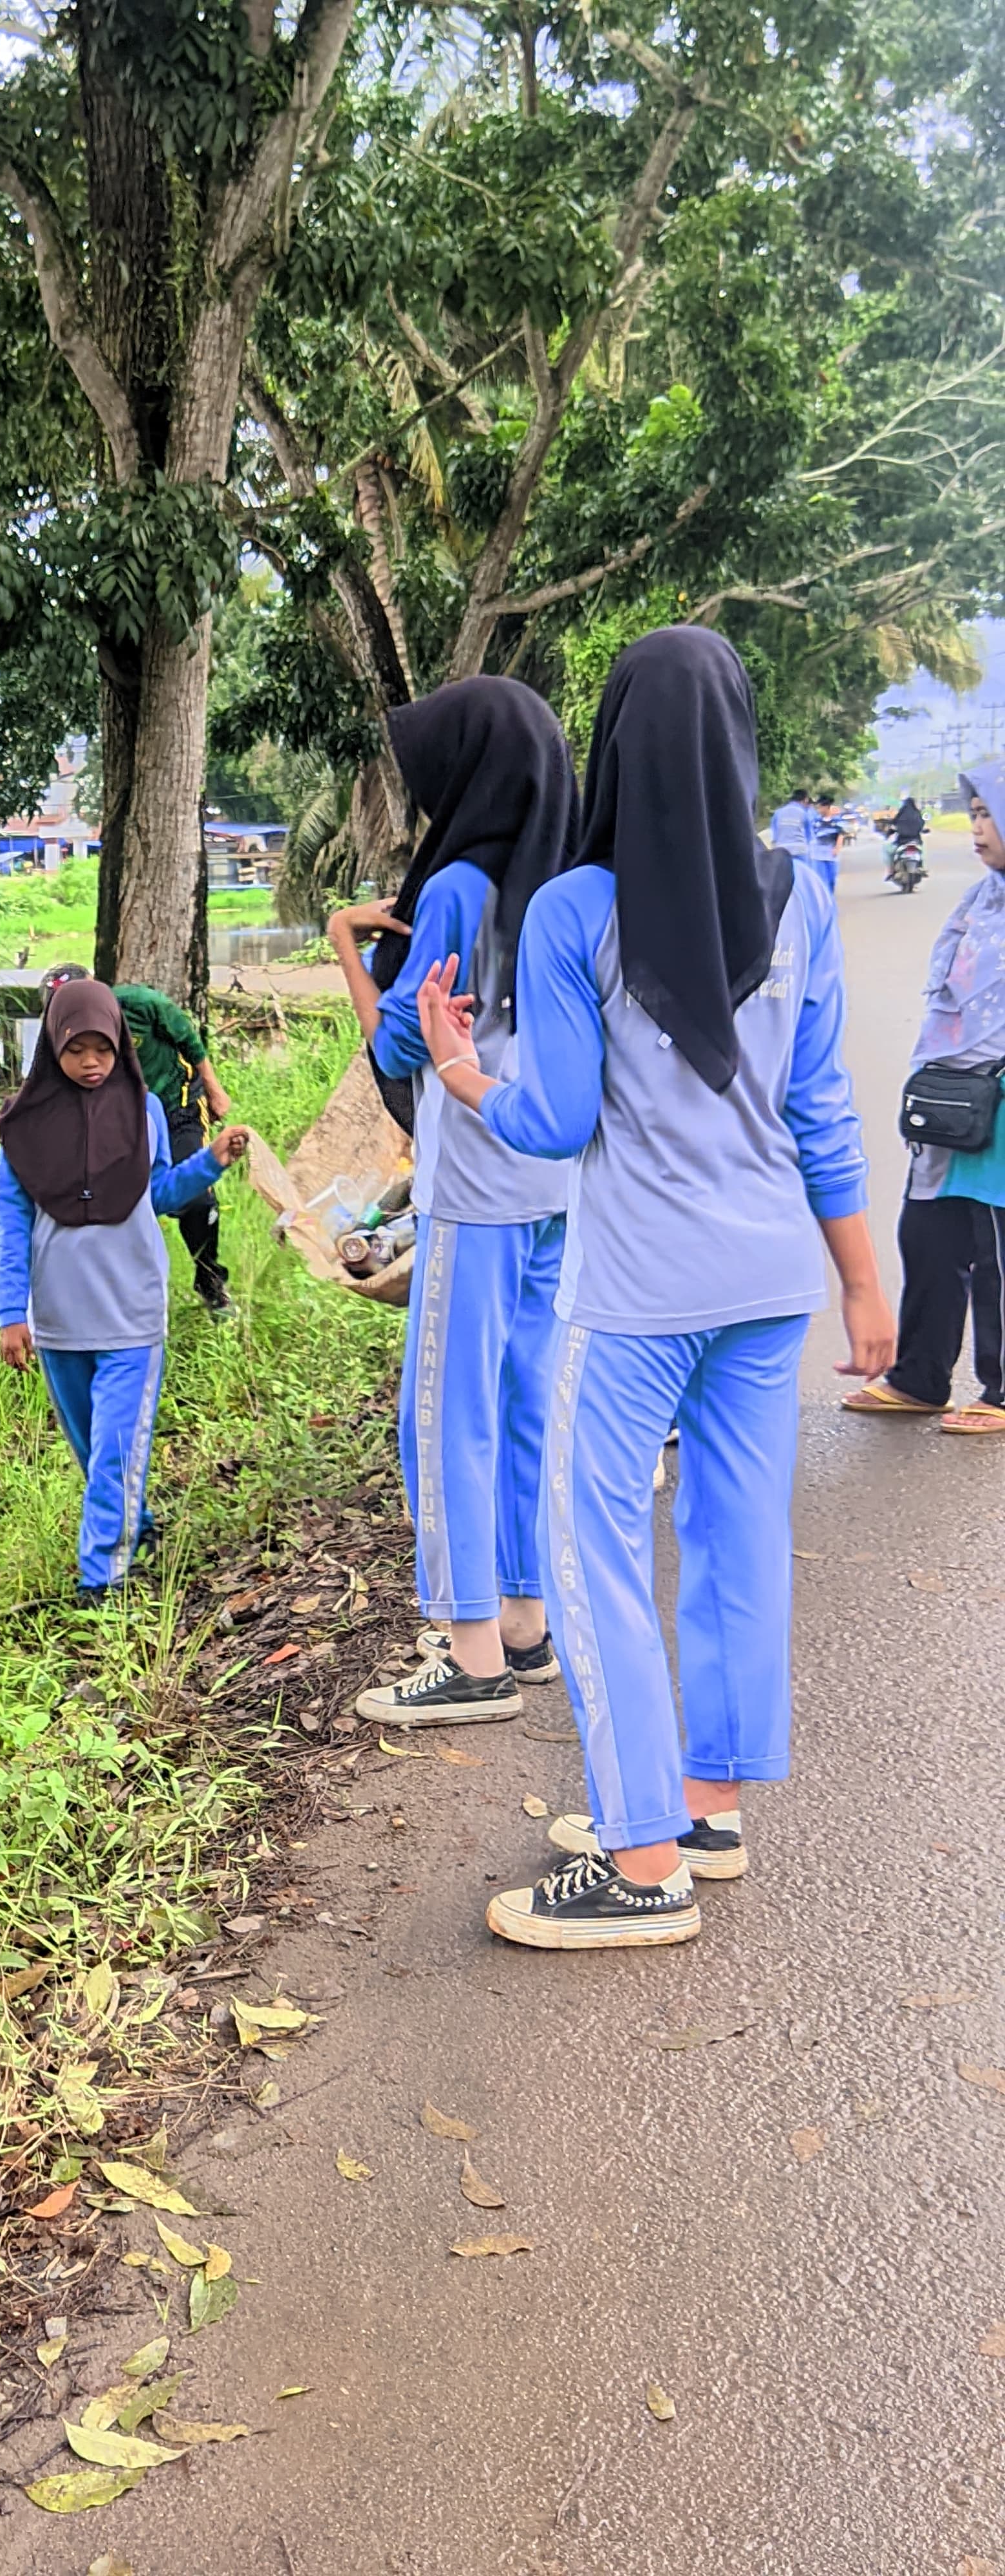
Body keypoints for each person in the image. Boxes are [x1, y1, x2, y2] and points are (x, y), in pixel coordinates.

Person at [414, 626, 893, 1951]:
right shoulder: (798, 896)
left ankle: (639, 1860)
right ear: (739, 739)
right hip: (767, 1285)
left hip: (633, 1297)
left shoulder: (576, 908)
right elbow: (820, 1105)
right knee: (738, 1537)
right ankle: (707, 1807)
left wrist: (463, 1073)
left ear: (615, 738)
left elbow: (558, 1121)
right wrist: (865, 1283)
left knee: (595, 1549)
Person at [324, 677, 579, 1727]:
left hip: (474, 1186)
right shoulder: (568, 876)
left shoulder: (457, 889)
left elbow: (397, 1044)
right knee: (523, 1410)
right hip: (556, 1180)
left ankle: (468, 1655)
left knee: (441, 1416)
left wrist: (357, 950)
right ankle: (524, 1628)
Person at [0, 980, 249, 1600]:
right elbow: (12, 1226)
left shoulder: (146, 1111)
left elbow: (157, 1195)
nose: (91, 1062)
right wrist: (10, 1313)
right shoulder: (22, 1127)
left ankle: (101, 1577)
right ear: (52, 1045)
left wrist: (210, 1161)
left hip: (132, 1309)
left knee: (114, 1450)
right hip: (58, 1318)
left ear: (121, 1048)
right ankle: (141, 1528)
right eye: (76, 1048)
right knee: (94, 1452)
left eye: (103, 1049)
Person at [844, 757, 1005, 1434]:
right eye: (972, 812)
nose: (977, 826)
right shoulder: (980, 899)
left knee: (995, 1245)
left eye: (987, 812)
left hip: (997, 1100)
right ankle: (920, 1376)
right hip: (949, 1097)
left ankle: (1001, 1391)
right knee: (928, 1233)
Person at [113, 980, 238, 1315]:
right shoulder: (61, 1036)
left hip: (176, 1106)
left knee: (197, 1200)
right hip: (122, 1119)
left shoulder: (140, 1004)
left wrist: (214, 1090)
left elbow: (189, 1040)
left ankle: (211, 1281)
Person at [767, 784, 818, 867]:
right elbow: (809, 836)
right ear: (806, 800)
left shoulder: (778, 813)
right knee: (805, 875)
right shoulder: (804, 813)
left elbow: (774, 835)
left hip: (782, 851)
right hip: (800, 851)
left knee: (783, 878)